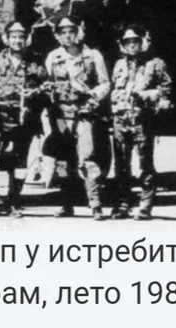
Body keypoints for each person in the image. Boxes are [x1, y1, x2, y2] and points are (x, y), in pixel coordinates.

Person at [0, 21, 48, 218]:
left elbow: (46, 86)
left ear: (27, 39)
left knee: (20, 162)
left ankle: (14, 202)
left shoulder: (35, 62)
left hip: (24, 119)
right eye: (14, 36)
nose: (18, 40)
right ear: (6, 38)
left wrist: (35, 92)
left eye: (21, 36)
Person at [43, 15, 111, 221]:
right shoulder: (53, 57)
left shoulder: (93, 55)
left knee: (87, 158)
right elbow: (48, 83)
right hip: (61, 114)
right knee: (63, 160)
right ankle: (66, 203)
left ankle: (95, 204)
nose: (67, 36)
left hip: (84, 114)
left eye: (71, 31)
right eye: (63, 32)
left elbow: (105, 83)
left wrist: (93, 97)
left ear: (78, 32)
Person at [110, 25, 171, 221]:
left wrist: (145, 95)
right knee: (121, 164)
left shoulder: (156, 64)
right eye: (127, 42)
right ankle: (122, 204)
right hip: (121, 117)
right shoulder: (119, 65)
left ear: (143, 42)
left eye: (135, 41)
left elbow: (165, 91)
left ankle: (145, 205)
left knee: (145, 163)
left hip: (142, 118)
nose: (132, 45)